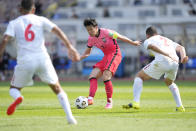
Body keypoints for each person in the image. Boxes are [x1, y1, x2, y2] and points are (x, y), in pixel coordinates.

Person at [0, 0, 80, 124]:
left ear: (20, 9)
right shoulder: (41, 19)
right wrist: (70, 46)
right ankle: (70, 118)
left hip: (25, 60)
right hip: (42, 58)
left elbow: (5, 39)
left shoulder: (14, 23)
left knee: (13, 89)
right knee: (57, 88)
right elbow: (57, 30)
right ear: (33, 9)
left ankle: (18, 97)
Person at [77, 18, 141, 109]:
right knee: (92, 75)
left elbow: (120, 36)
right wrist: (79, 57)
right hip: (106, 56)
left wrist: (132, 42)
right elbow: (87, 53)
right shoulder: (91, 39)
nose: (90, 32)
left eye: (91, 29)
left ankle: (109, 101)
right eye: (87, 30)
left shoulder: (107, 32)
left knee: (106, 76)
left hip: (115, 53)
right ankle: (90, 99)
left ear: (96, 27)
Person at [123, 26, 189, 112]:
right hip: (175, 62)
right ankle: (180, 106)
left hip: (163, 60)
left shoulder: (148, 40)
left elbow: (152, 46)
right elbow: (181, 47)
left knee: (139, 77)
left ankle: (136, 102)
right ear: (156, 33)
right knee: (169, 82)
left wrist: (165, 54)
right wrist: (183, 57)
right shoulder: (166, 39)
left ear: (147, 35)